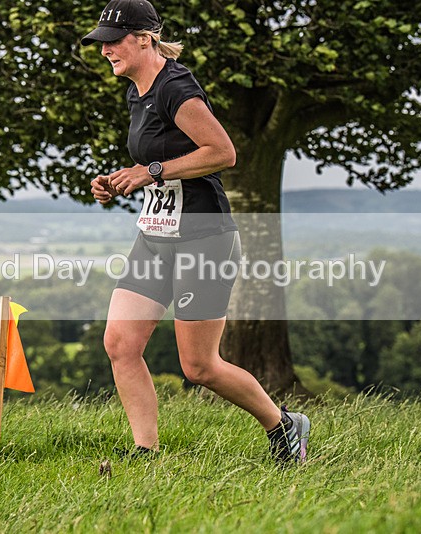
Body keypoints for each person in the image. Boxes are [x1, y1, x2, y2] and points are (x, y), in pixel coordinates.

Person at [82, 0, 310, 464]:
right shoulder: (137, 91)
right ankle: (145, 450)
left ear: (144, 39)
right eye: (101, 43)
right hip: (155, 237)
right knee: (120, 344)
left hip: (203, 239)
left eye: (113, 41)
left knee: (200, 366)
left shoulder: (175, 87)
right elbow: (159, 161)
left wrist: (151, 171)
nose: (105, 50)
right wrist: (120, 181)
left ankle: (284, 425)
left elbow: (223, 152)